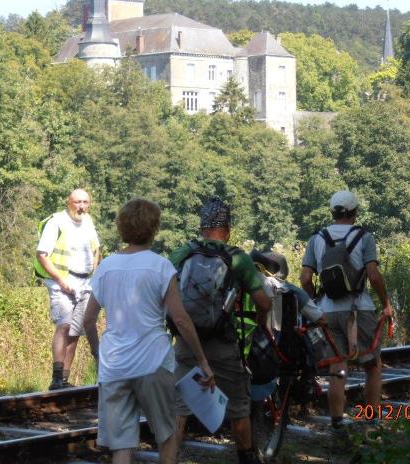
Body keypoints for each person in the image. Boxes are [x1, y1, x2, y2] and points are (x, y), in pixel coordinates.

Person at [83, 198, 214, 464]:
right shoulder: (160, 266)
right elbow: (181, 319)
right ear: (154, 229)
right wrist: (202, 361)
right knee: (165, 435)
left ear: (122, 228)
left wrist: (99, 356)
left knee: (121, 446)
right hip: (153, 363)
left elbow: (88, 320)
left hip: (115, 365)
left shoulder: (106, 267)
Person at [169, 197, 271, 464]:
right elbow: (263, 301)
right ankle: (246, 457)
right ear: (227, 229)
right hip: (223, 344)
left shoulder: (182, 253)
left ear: (202, 227)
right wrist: (260, 322)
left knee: (180, 408)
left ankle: (169, 459)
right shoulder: (237, 258)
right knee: (238, 405)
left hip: (186, 342)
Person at [300, 190, 394, 431]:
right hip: (358, 308)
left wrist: (314, 303)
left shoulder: (316, 238)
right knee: (372, 364)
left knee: (337, 365)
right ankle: (371, 418)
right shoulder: (364, 237)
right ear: (354, 213)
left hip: (327, 310)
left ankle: (337, 421)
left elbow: (305, 278)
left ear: (332, 212)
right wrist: (386, 304)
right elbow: (373, 275)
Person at [36, 188, 100, 390]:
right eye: (77, 202)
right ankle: (55, 377)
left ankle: (64, 379)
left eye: (85, 202)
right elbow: (42, 254)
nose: (81, 206)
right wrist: (60, 280)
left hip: (85, 283)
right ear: (68, 202)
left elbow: (96, 250)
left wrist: (94, 278)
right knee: (63, 325)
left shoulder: (88, 222)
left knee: (75, 332)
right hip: (61, 281)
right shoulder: (57, 222)